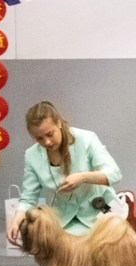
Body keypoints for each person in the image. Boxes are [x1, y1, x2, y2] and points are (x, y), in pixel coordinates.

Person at [6, 101, 124, 244]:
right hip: (62, 221)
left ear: (59, 123)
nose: (47, 142)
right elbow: (28, 198)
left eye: (50, 134)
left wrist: (83, 177)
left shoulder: (86, 139)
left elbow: (115, 174)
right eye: (39, 138)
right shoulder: (32, 155)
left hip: (101, 211)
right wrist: (16, 222)